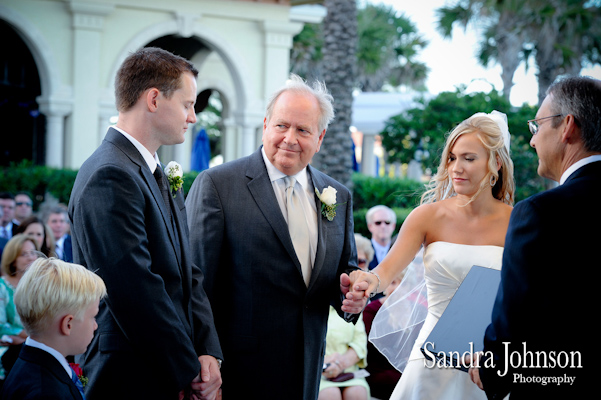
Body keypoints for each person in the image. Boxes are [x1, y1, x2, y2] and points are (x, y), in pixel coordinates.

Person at [185, 73, 367, 400]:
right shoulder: (218, 185)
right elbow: (195, 280)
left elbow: (343, 273)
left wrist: (352, 295)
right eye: (282, 125)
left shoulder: (337, 196)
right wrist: (204, 356)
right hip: (237, 372)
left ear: (320, 137)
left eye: (303, 130)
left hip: (309, 371)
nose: (290, 138)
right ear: (266, 124)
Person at [68, 47, 222, 400]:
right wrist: (187, 371)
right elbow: (134, 290)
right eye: (187, 104)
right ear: (154, 99)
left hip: (166, 365)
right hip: (131, 373)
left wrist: (208, 351)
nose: (193, 117)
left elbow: (187, 272)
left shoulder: (151, 170)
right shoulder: (110, 174)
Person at [348, 111, 515, 399]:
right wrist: (367, 282)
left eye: (469, 158)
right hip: (432, 357)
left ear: (496, 163)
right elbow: (385, 273)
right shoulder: (426, 216)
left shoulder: (518, 221)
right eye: (452, 158)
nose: (456, 168)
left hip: (489, 359)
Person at [469, 76, 600, 398]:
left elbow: (518, 315)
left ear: (567, 127)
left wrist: (493, 370)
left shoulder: (542, 212)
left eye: (537, 126)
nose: (532, 141)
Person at [0, 257, 106, 400]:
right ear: (68, 324)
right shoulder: (46, 392)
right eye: (93, 317)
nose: (95, 325)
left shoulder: (31, 366)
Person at [0, 234, 39, 380]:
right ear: (13, 259)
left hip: (34, 345)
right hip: (10, 352)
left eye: (33, 252)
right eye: (24, 254)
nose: (30, 258)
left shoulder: (39, 286)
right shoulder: (2, 287)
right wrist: (32, 336)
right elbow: (1, 326)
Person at [365, 205, 396, 271]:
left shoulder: (400, 251)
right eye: (378, 223)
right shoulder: (362, 252)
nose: (383, 226)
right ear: (370, 226)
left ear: (393, 226)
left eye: (387, 222)